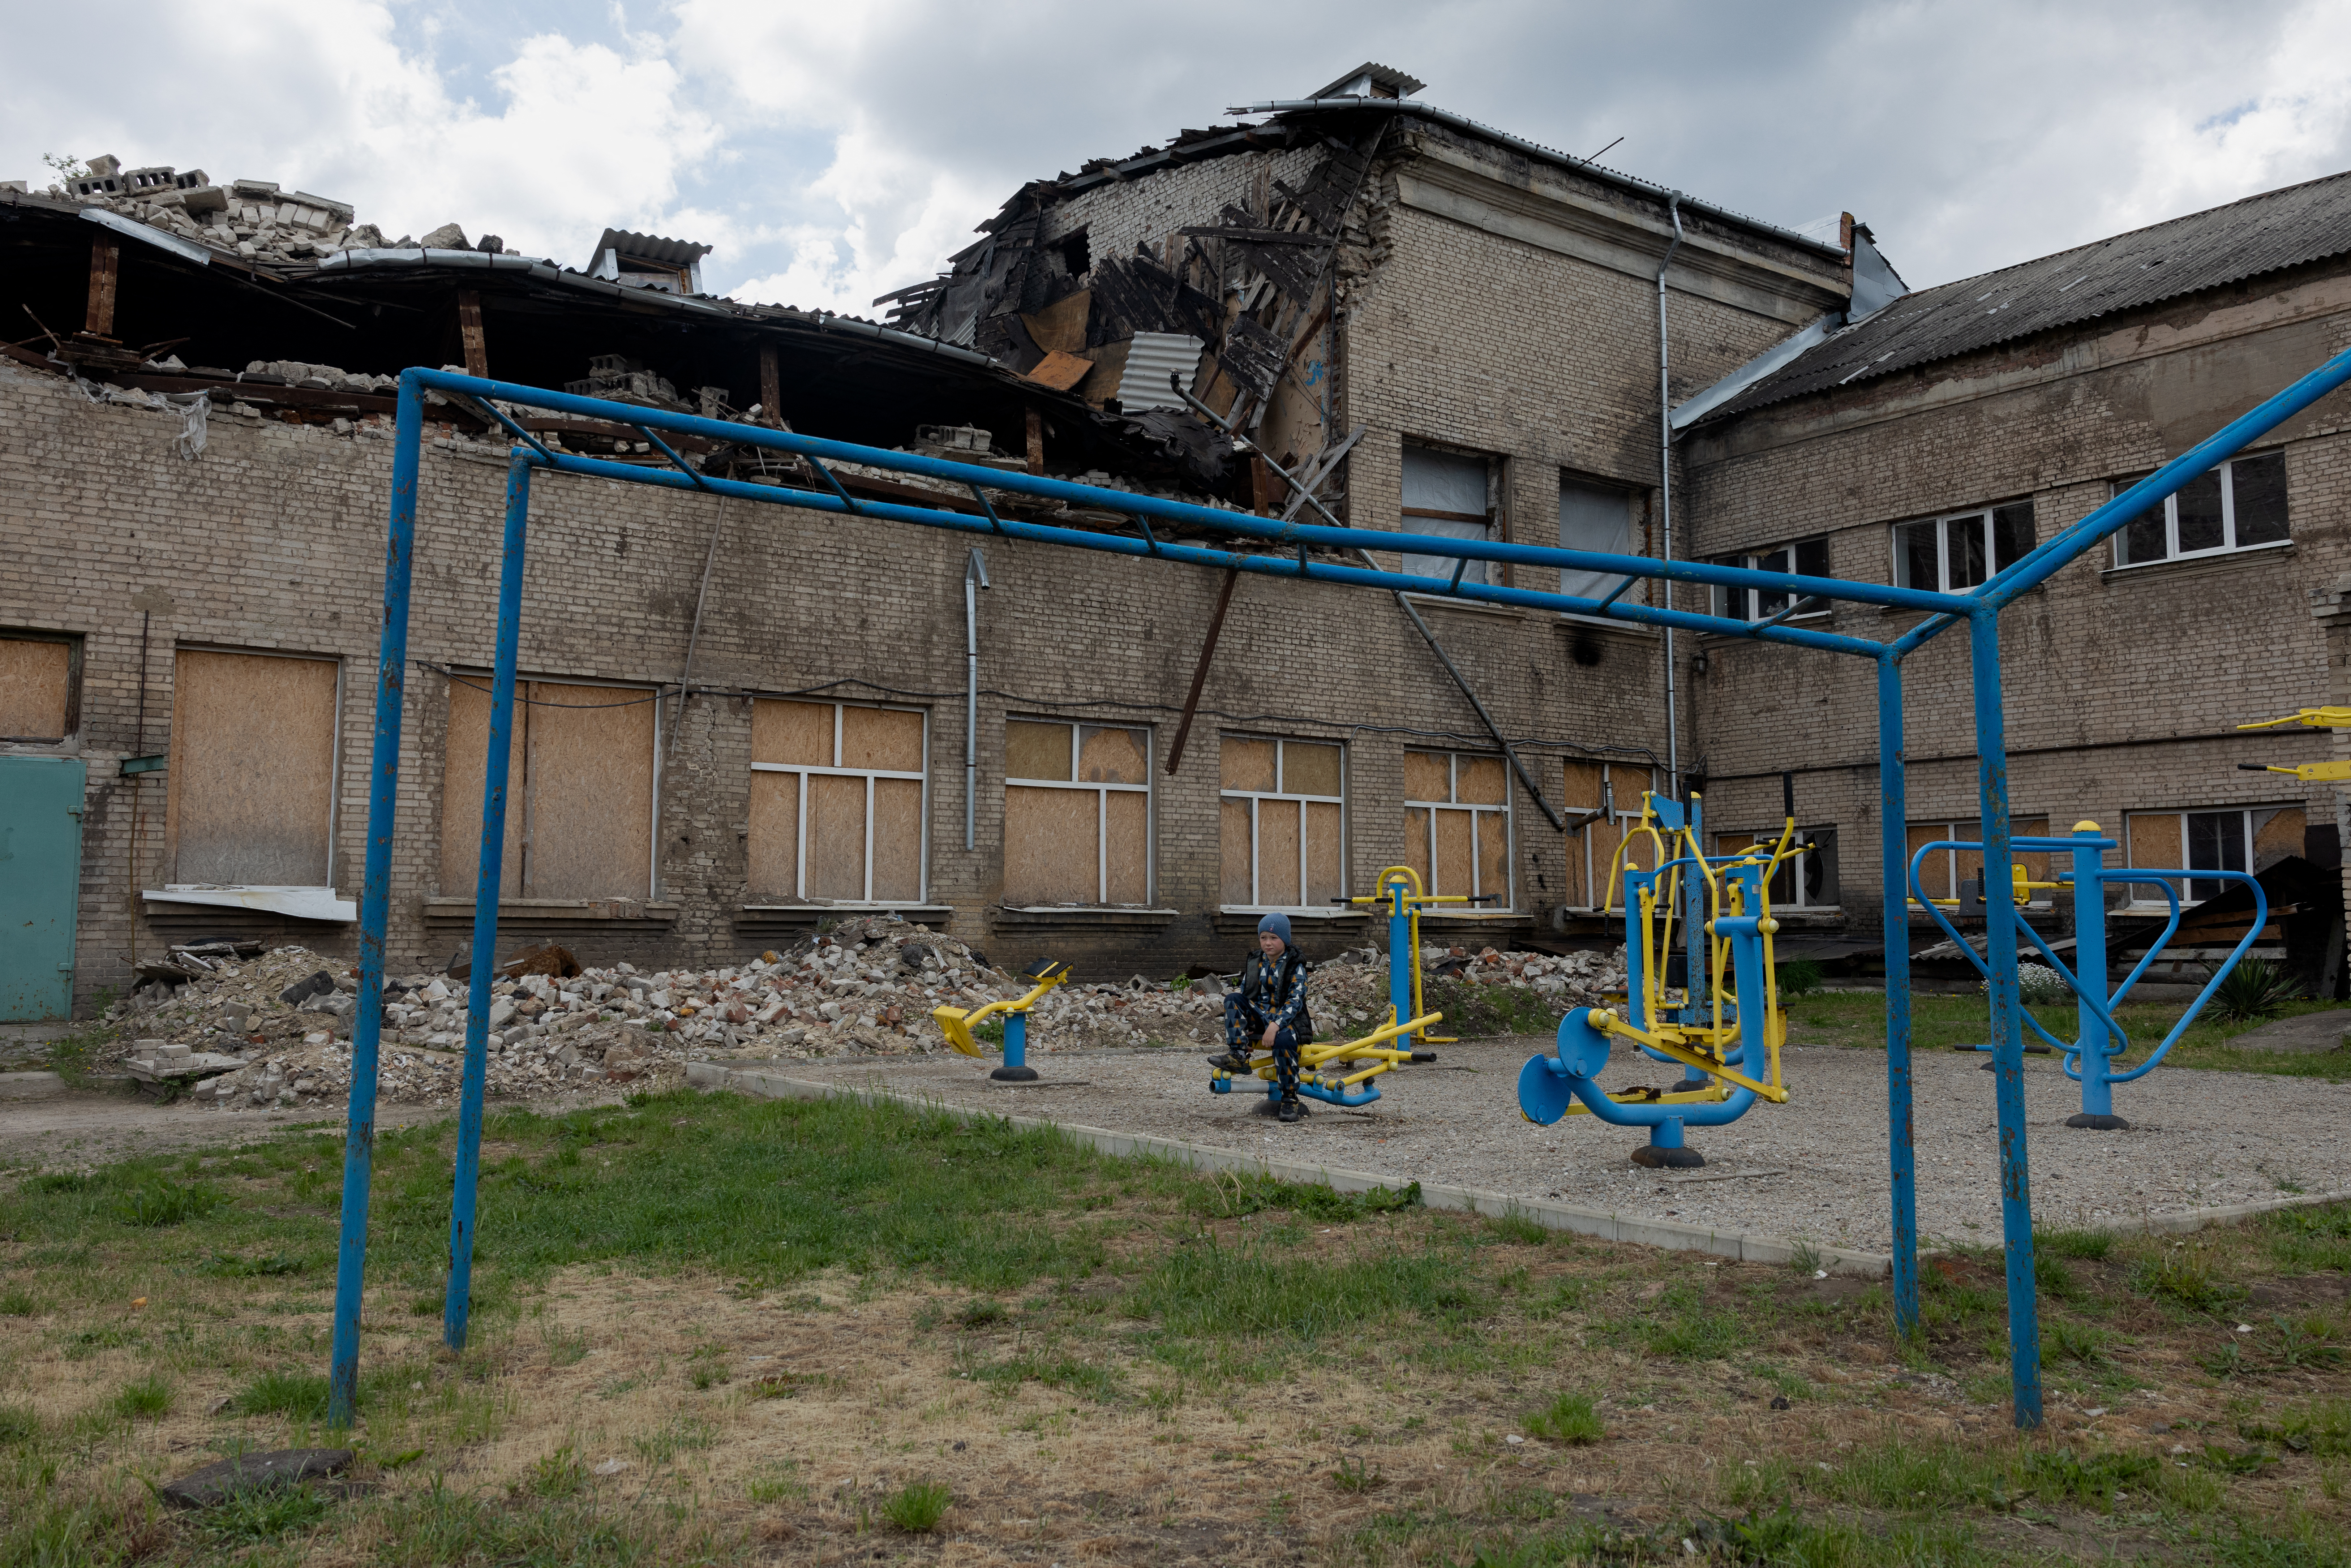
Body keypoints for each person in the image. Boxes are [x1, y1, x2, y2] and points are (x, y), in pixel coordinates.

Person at [1207, 912, 1311, 1122]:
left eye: (1274, 938)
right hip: (1261, 1016)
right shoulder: (1256, 962)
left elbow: (1295, 1002)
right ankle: (1239, 1056)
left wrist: (1274, 1026)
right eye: (1264, 938)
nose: (1268, 943)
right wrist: (1245, 1029)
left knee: (1283, 1040)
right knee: (1233, 999)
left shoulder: (1295, 965)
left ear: (1285, 940)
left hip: (1289, 1021)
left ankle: (1289, 1099)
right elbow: (1246, 996)